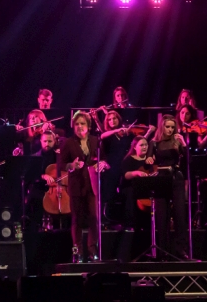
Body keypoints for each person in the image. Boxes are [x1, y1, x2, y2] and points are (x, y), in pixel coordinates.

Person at [57, 112, 109, 262]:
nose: (79, 126)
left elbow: (104, 160)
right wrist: (71, 165)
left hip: (92, 185)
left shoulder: (95, 141)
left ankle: (93, 250)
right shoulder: (68, 142)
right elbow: (61, 164)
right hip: (76, 185)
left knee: (94, 218)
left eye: (82, 123)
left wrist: (103, 164)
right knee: (77, 219)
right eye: (77, 124)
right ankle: (77, 252)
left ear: (88, 126)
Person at [151, 114, 191, 258]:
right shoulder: (155, 143)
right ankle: (163, 250)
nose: (170, 129)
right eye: (167, 127)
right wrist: (149, 159)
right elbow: (148, 160)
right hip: (161, 179)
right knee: (162, 215)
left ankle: (181, 248)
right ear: (162, 127)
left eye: (172, 127)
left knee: (180, 213)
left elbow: (188, 162)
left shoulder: (177, 141)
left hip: (176, 177)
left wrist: (184, 145)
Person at [118, 136, 156, 258]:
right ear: (134, 147)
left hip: (146, 191)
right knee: (131, 194)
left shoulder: (151, 160)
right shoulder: (128, 160)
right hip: (132, 190)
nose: (144, 147)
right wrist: (137, 173)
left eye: (146, 145)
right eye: (141, 145)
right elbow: (126, 175)